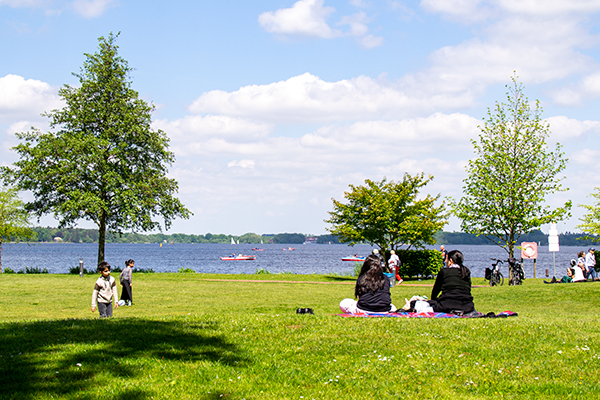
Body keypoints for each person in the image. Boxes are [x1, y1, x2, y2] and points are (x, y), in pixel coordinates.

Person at [426, 250, 476, 314]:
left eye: (447, 259)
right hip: (466, 305)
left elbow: (436, 289)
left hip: (446, 304)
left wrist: (433, 300)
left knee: (419, 304)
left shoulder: (444, 271)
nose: (445, 261)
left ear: (451, 261)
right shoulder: (466, 271)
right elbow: (467, 289)